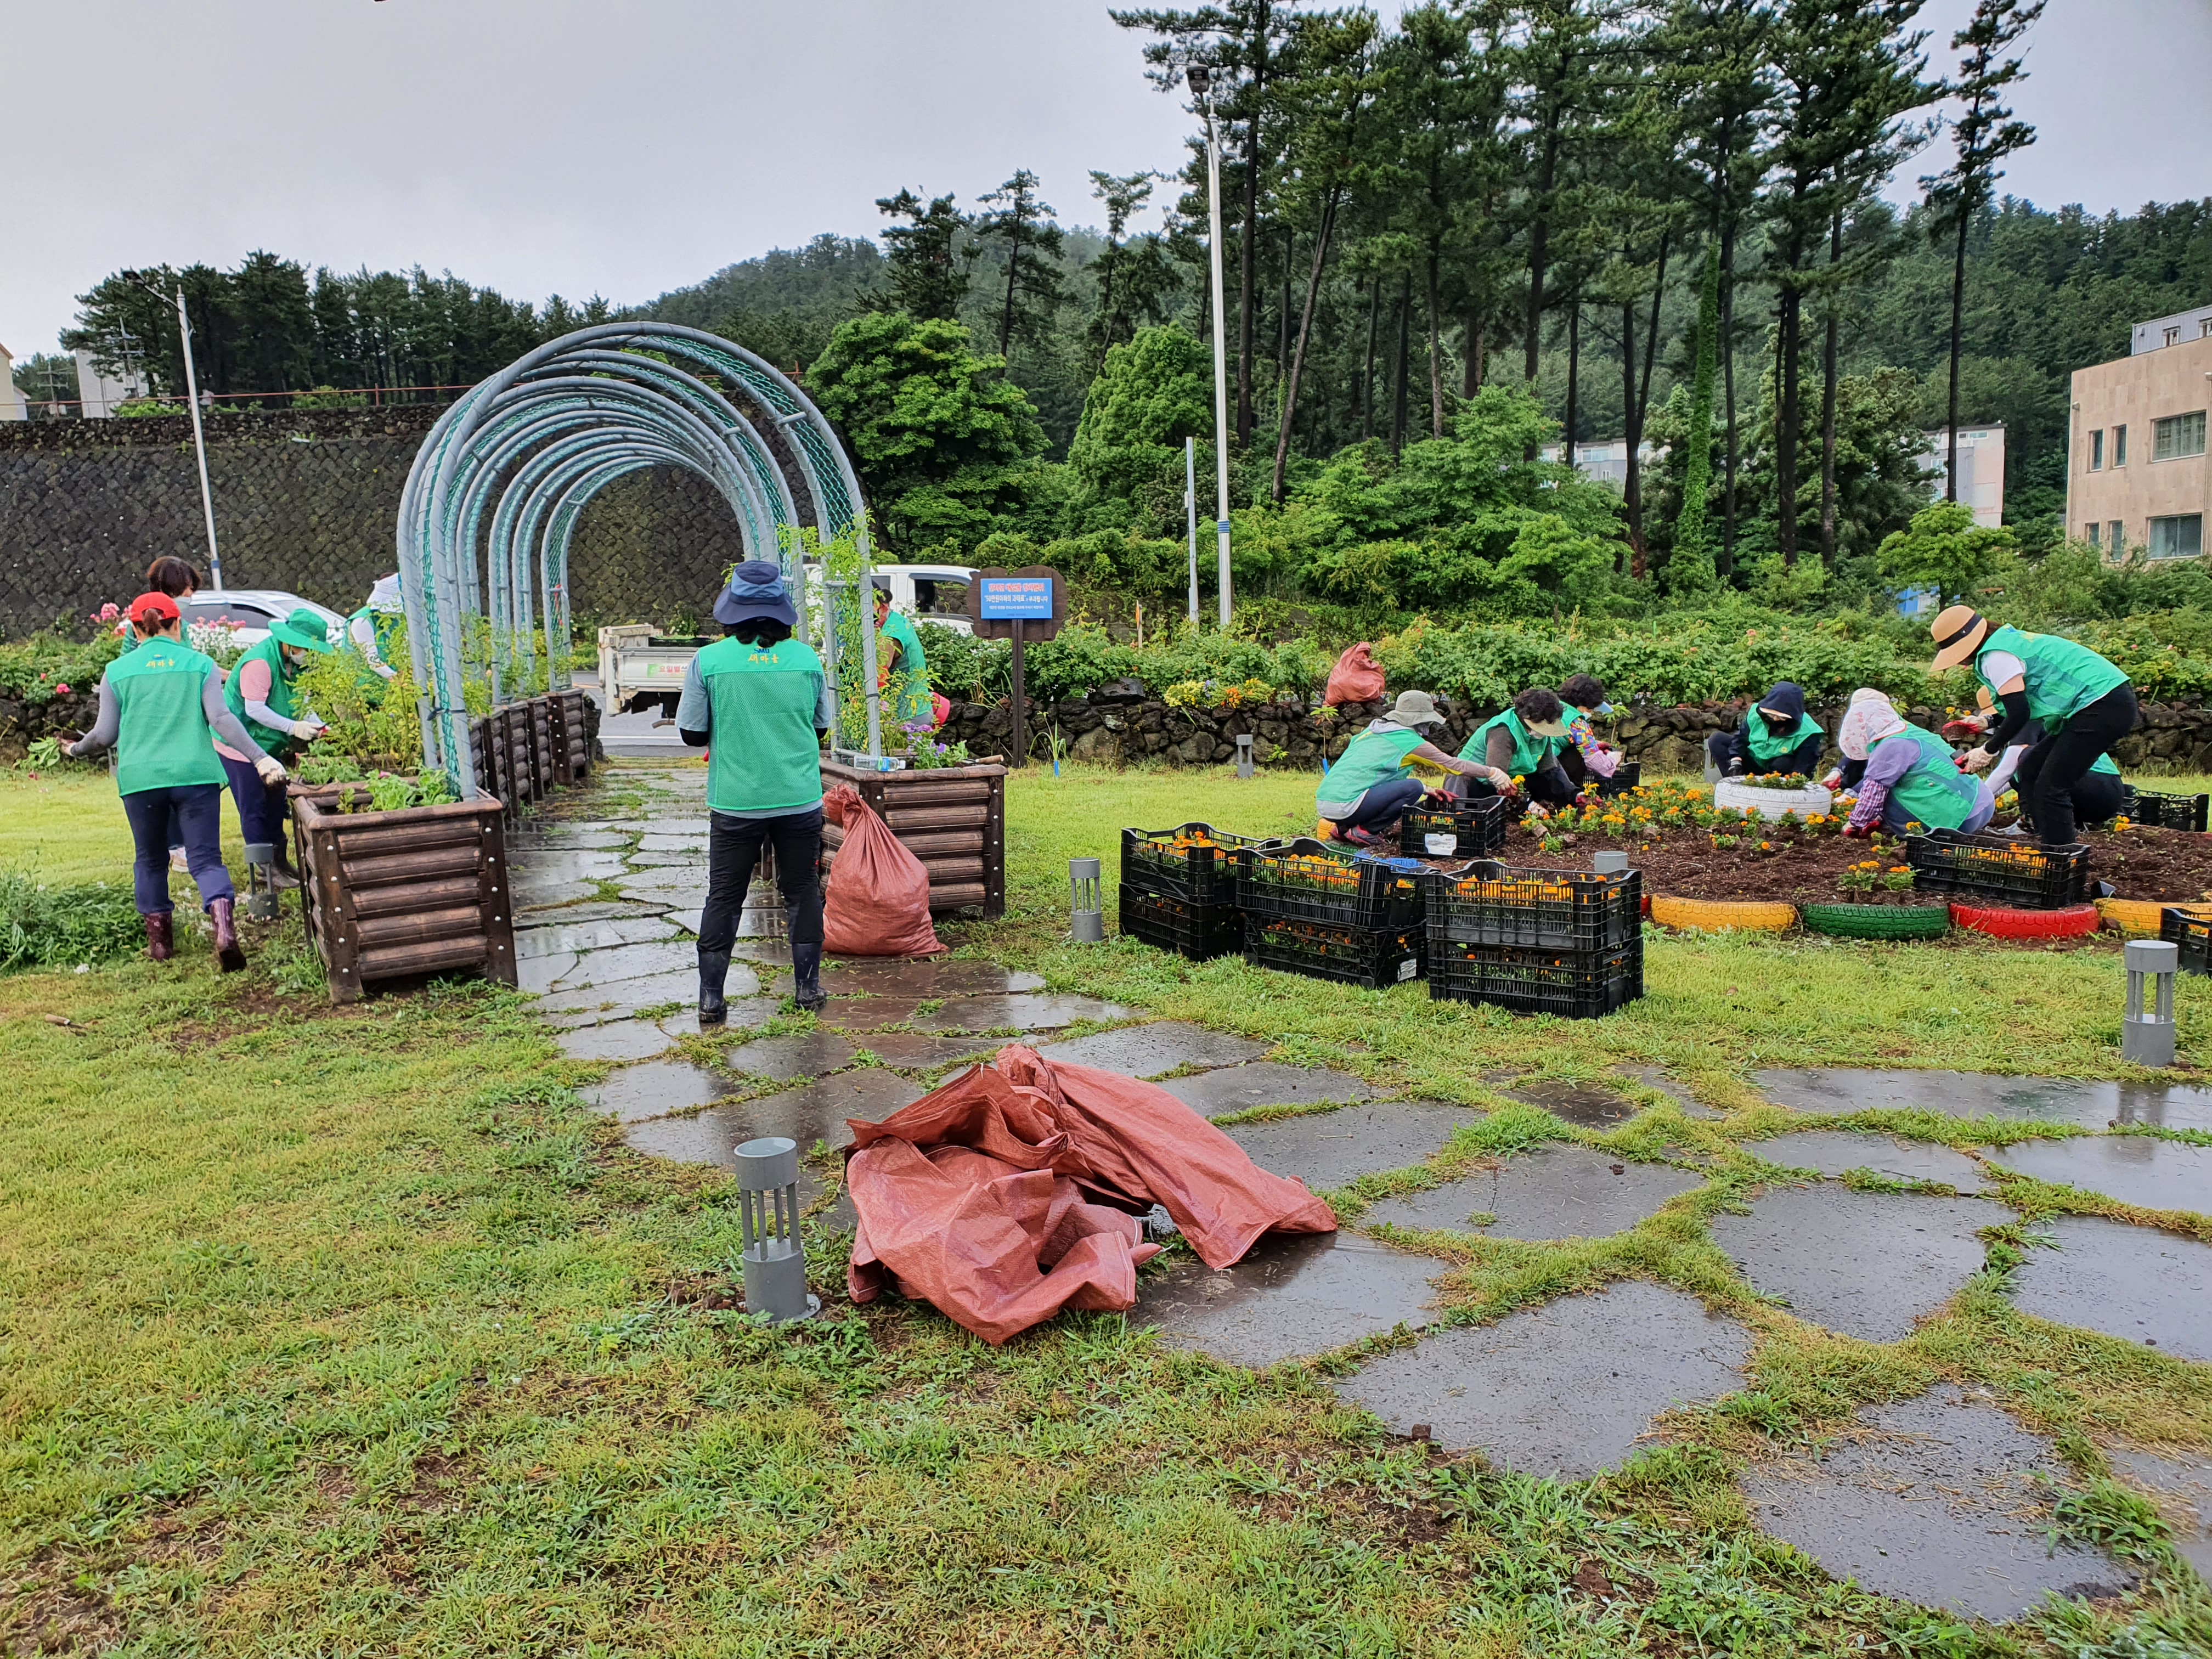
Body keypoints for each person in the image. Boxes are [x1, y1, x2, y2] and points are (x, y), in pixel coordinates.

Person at [64, 592, 285, 969]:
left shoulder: (117, 671)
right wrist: (260, 757)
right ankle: (225, 932)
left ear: (134, 629)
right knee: (206, 859)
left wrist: (74, 751)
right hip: (195, 775)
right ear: (177, 624)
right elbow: (221, 719)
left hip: (141, 781)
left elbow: (102, 736)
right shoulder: (200, 665)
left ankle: (161, 946)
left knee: (150, 860)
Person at [678, 560, 834, 1020]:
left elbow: (691, 733)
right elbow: (820, 727)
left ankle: (712, 998)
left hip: (736, 801)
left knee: (724, 896)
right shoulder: (807, 660)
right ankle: (807, 990)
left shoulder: (709, 661)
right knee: (803, 890)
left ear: (733, 610)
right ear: (782, 611)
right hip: (798, 798)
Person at [1929, 605, 2136, 848]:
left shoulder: (1995, 656)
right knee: (2030, 767)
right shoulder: (2007, 644)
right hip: (2103, 703)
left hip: (2102, 704)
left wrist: (1987, 751)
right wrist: (1986, 722)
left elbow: (2020, 713)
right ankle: (2044, 834)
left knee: (2052, 786)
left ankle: (2060, 860)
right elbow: (2023, 708)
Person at [219, 607, 335, 885]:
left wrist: (318, 726)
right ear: (290, 641)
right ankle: (264, 871)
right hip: (240, 742)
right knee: (254, 804)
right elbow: (255, 709)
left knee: (275, 801)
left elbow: (299, 704)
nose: (307, 653)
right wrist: (294, 727)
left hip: (268, 743)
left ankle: (280, 862)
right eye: (304, 647)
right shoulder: (260, 663)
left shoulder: (294, 664)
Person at [1317, 690, 1493, 846]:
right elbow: (1454, 766)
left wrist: (1428, 789)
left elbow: (1369, 773)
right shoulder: (1410, 741)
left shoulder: (1371, 732)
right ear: (1421, 721)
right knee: (1414, 788)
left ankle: (1341, 830)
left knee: (1411, 788)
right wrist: (1493, 773)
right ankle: (1366, 831)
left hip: (1325, 802)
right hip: (1347, 806)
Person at [1947, 688, 2125, 836]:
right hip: (2110, 793)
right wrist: (1985, 799)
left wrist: (1973, 806)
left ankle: (2029, 824)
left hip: (2092, 786)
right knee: (2036, 769)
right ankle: (2073, 826)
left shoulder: (2030, 721)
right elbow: (2012, 781)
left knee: (2028, 760)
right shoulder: (2048, 717)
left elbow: (2008, 769)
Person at [1831, 689, 1993, 838]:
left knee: (1883, 790)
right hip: (1983, 803)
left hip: (1957, 818)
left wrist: (1854, 824)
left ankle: (1922, 835)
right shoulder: (1910, 730)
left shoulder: (1890, 746)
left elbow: (1873, 794)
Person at [1458, 687, 1579, 810]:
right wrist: (1528, 803)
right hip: (1477, 786)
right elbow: (1497, 779)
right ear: (1527, 718)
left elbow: (1551, 769)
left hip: (1515, 782)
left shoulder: (1540, 735)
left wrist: (1575, 794)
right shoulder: (1503, 732)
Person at [1707, 681, 1824, 779]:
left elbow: (1804, 768)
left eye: (1782, 717)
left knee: (1783, 763)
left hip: (1781, 771)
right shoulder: (1755, 713)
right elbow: (1740, 740)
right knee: (1717, 739)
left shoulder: (1809, 732)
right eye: (1772, 715)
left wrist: (1791, 783)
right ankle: (1734, 782)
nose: (1775, 719)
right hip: (1755, 761)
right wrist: (1736, 762)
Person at [872, 577, 935, 731]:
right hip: (914, 709)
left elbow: (878, 676)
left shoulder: (890, 634)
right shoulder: (895, 621)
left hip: (908, 716)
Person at [1555, 673, 1621, 786]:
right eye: (1590, 709)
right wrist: (1613, 759)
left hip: (1531, 769)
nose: (1592, 712)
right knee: (1578, 754)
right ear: (1581, 705)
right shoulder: (1577, 723)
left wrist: (1594, 744)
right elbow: (1600, 766)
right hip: (1551, 774)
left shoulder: (1554, 707)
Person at [349, 573, 405, 682]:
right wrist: (399, 679)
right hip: (362, 687)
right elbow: (373, 661)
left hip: (387, 686)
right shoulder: (362, 622)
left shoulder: (395, 619)